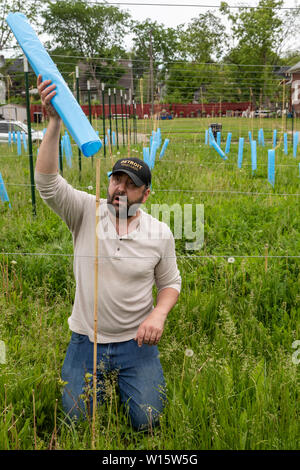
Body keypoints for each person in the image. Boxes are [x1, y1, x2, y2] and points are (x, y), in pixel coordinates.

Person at [35, 75, 181, 431]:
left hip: (136, 343)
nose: (121, 188)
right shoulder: (86, 210)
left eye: (131, 186)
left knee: (149, 422)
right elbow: (47, 183)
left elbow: (170, 284)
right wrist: (55, 122)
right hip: (86, 340)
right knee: (75, 424)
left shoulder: (159, 233)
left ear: (145, 195)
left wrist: (158, 316)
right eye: (118, 179)